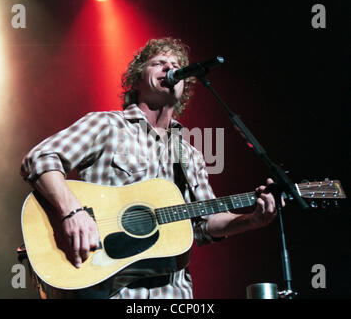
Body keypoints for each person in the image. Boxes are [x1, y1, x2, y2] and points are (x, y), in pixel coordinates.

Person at [20, 37, 281, 299]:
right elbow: (41, 158)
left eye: (176, 65)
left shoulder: (189, 154)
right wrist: (72, 212)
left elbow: (205, 223)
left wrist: (252, 219)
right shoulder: (107, 125)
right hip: (107, 289)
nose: (169, 68)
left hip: (172, 294)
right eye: (159, 63)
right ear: (136, 80)